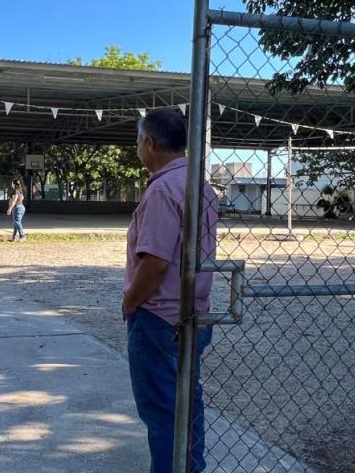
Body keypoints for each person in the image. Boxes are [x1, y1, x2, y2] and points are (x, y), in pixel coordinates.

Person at [121, 108, 218, 473]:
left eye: (137, 141)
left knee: (162, 415)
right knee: (187, 408)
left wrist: (130, 303)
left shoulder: (162, 189)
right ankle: (191, 468)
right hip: (195, 313)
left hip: (159, 317)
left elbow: (156, 262)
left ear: (149, 143)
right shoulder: (200, 185)